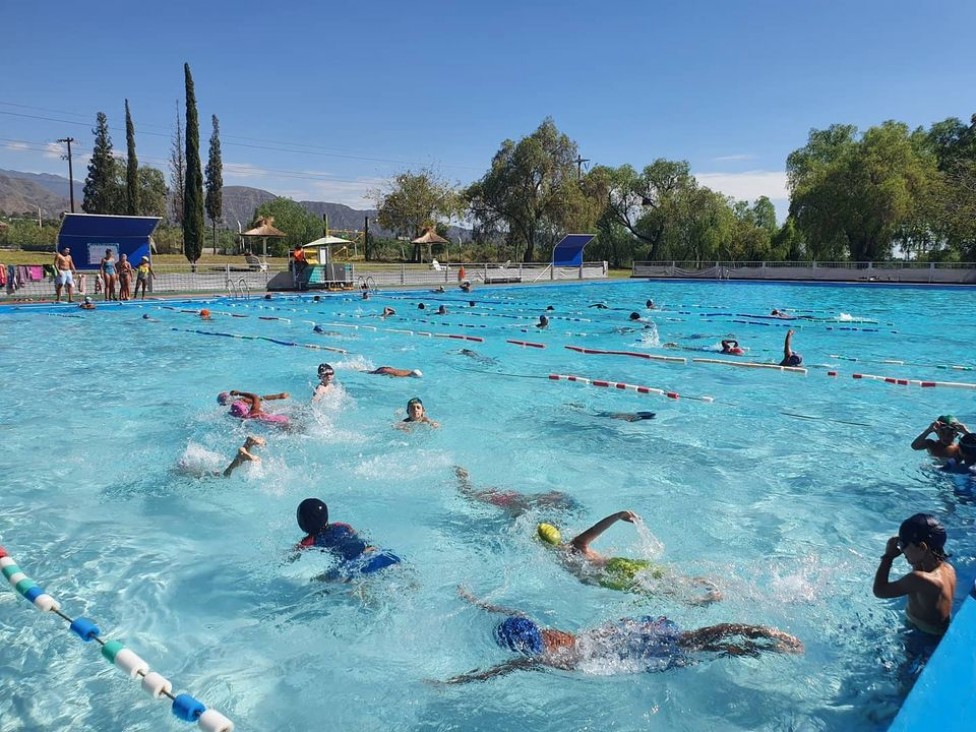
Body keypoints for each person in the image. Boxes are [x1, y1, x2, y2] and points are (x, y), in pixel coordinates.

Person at [443, 587, 803, 682]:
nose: (547, 632)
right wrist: (477, 602)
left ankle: (762, 638)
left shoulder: (542, 653)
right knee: (701, 642)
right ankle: (762, 639)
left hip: (623, 647)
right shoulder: (547, 643)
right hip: (623, 642)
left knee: (703, 647)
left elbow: (501, 669)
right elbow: (503, 663)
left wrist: (476, 602)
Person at [536, 511, 719, 603]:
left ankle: (699, 599)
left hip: (611, 580)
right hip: (616, 568)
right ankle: (709, 586)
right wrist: (618, 515)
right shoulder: (575, 545)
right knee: (667, 580)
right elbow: (595, 530)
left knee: (657, 589)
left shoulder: (562, 560)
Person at [873, 513, 956, 637]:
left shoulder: (918, 580)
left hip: (920, 636)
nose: (901, 550)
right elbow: (920, 564)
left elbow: (879, 591)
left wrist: (888, 557)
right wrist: (908, 543)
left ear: (922, 547)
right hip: (938, 630)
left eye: (903, 545)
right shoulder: (948, 569)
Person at [294, 498, 400, 580]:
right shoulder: (342, 525)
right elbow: (355, 535)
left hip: (356, 564)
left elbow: (293, 555)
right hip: (375, 552)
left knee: (318, 580)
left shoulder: (308, 541)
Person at [453, 466, 579, 517]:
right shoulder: (536, 506)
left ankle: (463, 479)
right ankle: (462, 479)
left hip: (509, 498)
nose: (550, 492)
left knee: (469, 493)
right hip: (509, 498)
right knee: (468, 493)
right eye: (552, 493)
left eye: (553, 495)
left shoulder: (536, 507)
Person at [217, 389, 289, 419]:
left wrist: (278, 396)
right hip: (258, 413)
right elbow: (258, 398)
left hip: (258, 413)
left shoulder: (238, 403)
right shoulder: (240, 401)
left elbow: (259, 399)